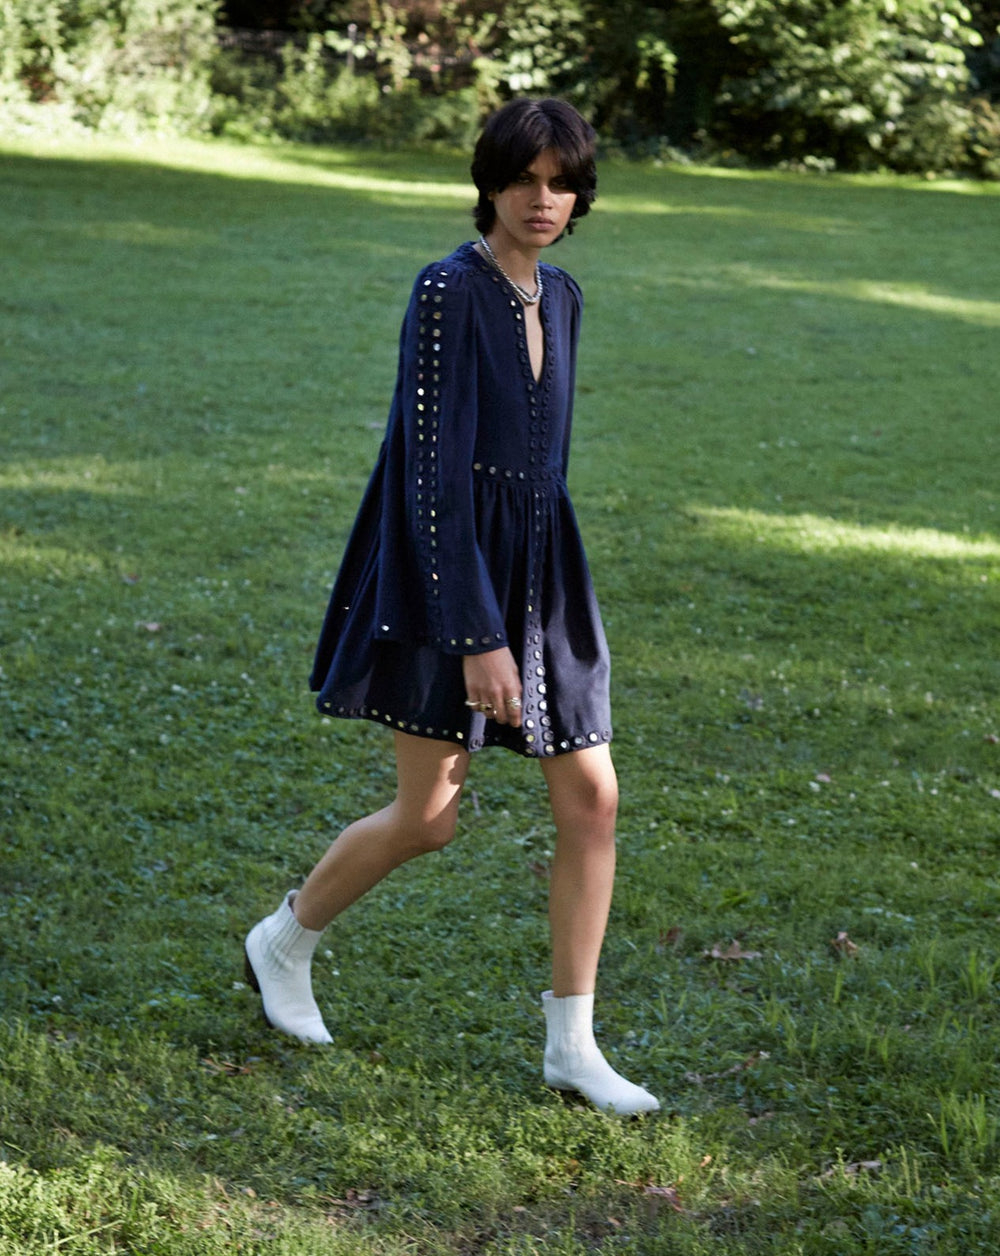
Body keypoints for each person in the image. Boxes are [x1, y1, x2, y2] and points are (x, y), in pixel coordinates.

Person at [244, 97, 660, 1116]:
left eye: (562, 182)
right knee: (429, 818)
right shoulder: (445, 291)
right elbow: (432, 476)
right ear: (490, 183)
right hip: (447, 573)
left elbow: (538, 471)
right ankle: (284, 937)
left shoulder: (560, 297)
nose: (543, 199)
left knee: (593, 798)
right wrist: (475, 634)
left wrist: (531, 612)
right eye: (524, 179)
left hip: (543, 572)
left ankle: (572, 1043)